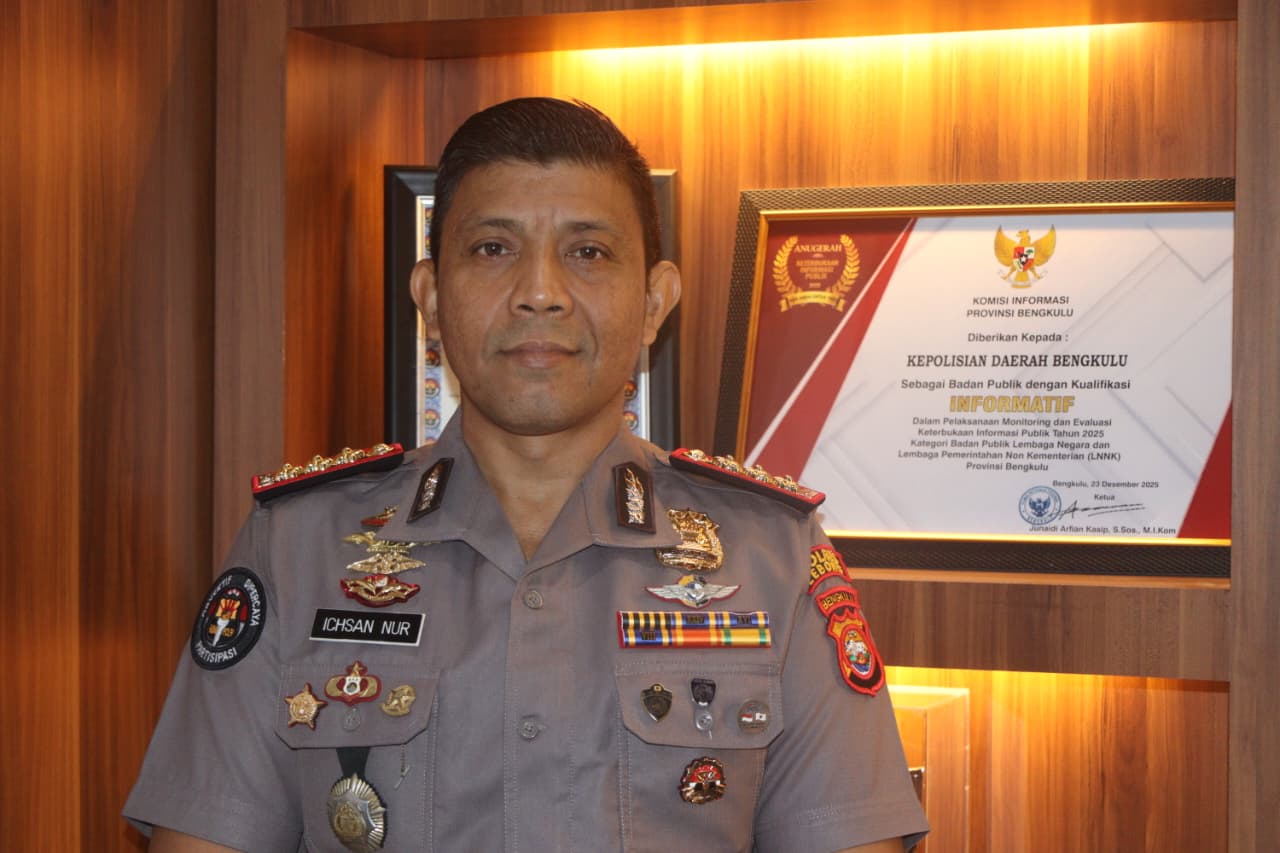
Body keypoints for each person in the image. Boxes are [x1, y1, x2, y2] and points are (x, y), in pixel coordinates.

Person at [125, 97, 929, 852]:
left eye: (588, 252)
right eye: (493, 248)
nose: (540, 293)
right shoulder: (298, 547)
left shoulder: (771, 555)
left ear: (655, 303)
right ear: (430, 297)